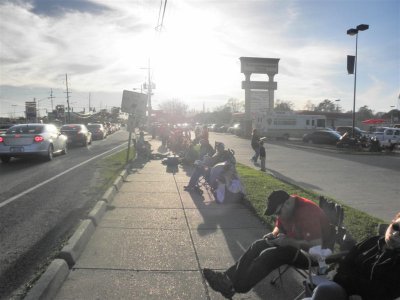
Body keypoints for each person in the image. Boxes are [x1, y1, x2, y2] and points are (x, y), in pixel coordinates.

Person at [202, 190, 330, 298]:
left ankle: (236, 287)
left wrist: (290, 242)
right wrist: (273, 234)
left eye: (278, 212)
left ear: (287, 203)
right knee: (258, 245)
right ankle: (227, 279)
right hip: (292, 244)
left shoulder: (307, 213)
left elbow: (315, 244)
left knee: (271, 255)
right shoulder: (287, 206)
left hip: (314, 255)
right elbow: (278, 226)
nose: (278, 216)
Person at [308, 212, 400, 300]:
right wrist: (351, 288)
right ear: (391, 223)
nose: (395, 234)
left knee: (324, 291)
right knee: (324, 290)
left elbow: (385, 290)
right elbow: (346, 263)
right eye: (396, 227)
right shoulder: (372, 242)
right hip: (345, 289)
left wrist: (361, 294)